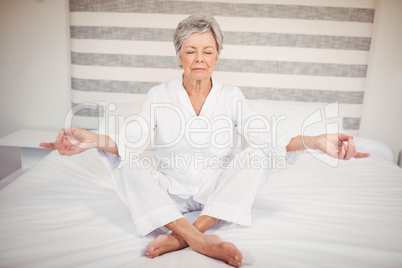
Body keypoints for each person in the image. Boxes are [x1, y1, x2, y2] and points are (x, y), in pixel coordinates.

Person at [40, 14, 370, 268]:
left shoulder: (232, 96)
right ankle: (200, 241)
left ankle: (182, 235)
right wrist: (91, 139)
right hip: (170, 192)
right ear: (178, 55)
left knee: (256, 155)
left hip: (216, 197)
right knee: (128, 164)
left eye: (208, 50)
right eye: (191, 50)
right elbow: (133, 136)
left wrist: (315, 140)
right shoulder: (159, 95)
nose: (200, 57)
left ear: (217, 56)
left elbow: (268, 137)